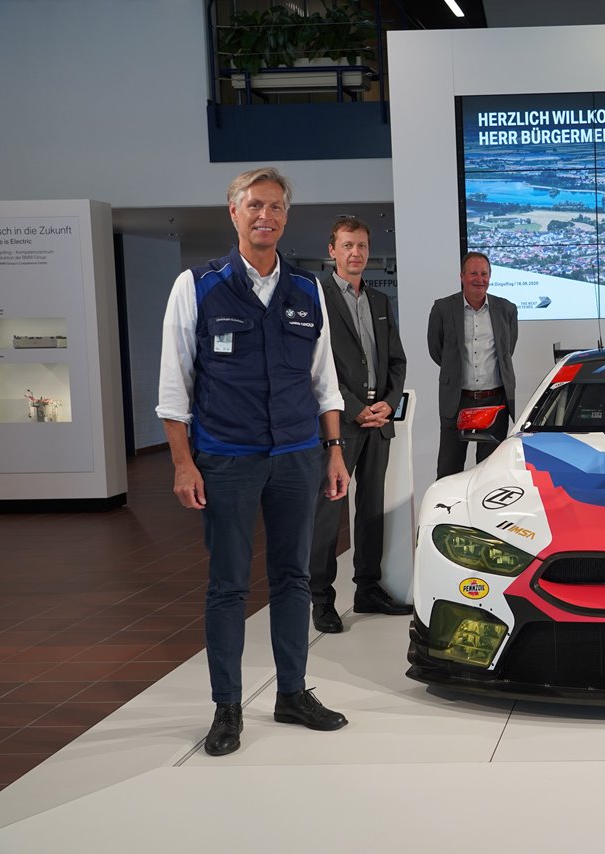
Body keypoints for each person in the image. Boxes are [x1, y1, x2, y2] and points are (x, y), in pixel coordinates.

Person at [156, 167, 351, 757]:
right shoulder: (197, 286)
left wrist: (335, 451)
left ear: (286, 218)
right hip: (227, 460)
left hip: (297, 457)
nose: (265, 215)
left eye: (275, 207)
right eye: (254, 205)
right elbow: (174, 386)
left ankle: (291, 693)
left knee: (293, 578)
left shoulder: (308, 290)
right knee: (228, 586)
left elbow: (325, 382)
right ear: (233, 212)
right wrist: (183, 464)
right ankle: (226, 709)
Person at [309, 216, 410, 634]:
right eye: (348, 245)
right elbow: (315, 367)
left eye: (363, 246)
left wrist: (388, 402)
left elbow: (397, 362)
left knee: (371, 510)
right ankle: (321, 600)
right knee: (328, 516)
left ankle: (367, 588)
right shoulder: (316, 297)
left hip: (378, 423)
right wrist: (353, 408)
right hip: (341, 424)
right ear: (332, 250)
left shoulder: (381, 302)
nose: (356, 253)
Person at [427, 251, 519, 478]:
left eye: (484, 274)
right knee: (449, 470)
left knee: (491, 472)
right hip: (457, 400)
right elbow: (436, 350)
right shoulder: (443, 308)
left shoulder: (507, 309)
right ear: (462, 276)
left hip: (495, 400)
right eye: (473, 273)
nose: (479, 279)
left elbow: (508, 350)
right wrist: (456, 372)